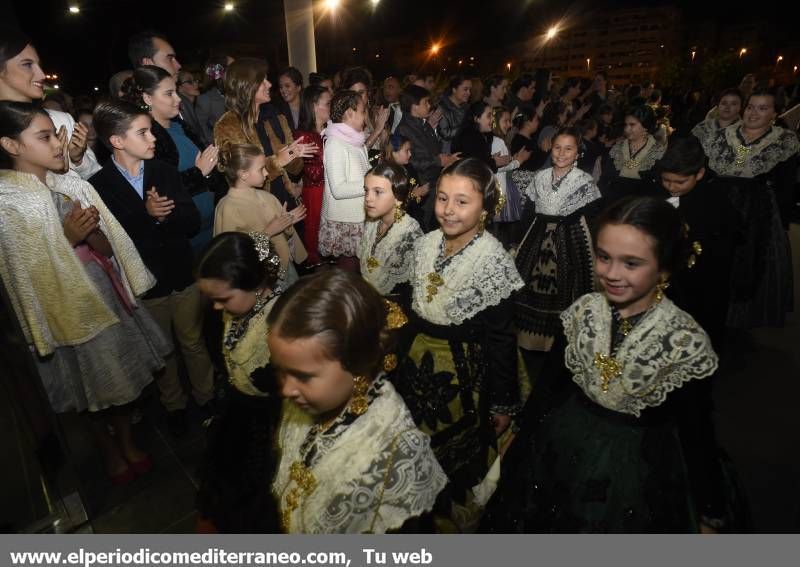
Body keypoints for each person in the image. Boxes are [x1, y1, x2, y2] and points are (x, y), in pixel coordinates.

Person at [482, 196, 728, 533]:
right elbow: (551, 385)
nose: (612, 274)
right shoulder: (583, 311)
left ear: (665, 267)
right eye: (603, 257)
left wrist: (708, 510)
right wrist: (522, 437)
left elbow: (696, 427)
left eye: (631, 263)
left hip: (639, 467)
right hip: (562, 448)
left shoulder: (683, 339)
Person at [0, 101, 169, 483]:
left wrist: (90, 233)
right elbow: (23, 274)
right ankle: (109, 451)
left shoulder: (71, 184)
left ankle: (126, 441)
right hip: (66, 312)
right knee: (87, 390)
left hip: (104, 296)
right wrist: (67, 237)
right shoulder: (7, 201)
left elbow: (109, 248)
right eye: (45, 138)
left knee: (120, 380)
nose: (58, 145)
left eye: (57, 136)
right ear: (11, 145)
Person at [394, 158, 525, 527]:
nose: (448, 210)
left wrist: (501, 402)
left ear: (486, 206)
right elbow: (412, 306)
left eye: (462, 202)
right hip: (415, 364)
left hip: (463, 377)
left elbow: (501, 337)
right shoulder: (426, 243)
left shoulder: (492, 260)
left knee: (451, 458)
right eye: (442, 198)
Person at [269, 270, 447, 533]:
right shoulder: (309, 401)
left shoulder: (395, 451)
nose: (286, 389)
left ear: (358, 362)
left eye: (303, 376)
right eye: (280, 371)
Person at [90, 100, 214, 436]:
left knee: (193, 341)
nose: (152, 138)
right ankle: (173, 405)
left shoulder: (163, 171)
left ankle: (207, 398)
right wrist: (148, 216)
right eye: (142, 132)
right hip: (145, 283)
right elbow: (113, 242)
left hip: (181, 272)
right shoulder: (99, 185)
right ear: (117, 141)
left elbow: (190, 221)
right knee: (163, 351)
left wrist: (166, 214)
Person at [195, 232, 284, 533]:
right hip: (238, 413)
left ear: (256, 285)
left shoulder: (281, 323)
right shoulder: (240, 306)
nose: (217, 308)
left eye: (223, 299)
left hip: (270, 426)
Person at [700, 88, 799, 329]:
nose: (754, 113)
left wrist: (782, 221)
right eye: (751, 107)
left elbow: (786, 186)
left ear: (775, 114)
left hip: (758, 211)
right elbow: (706, 173)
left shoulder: (783, 142)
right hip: (720, 205)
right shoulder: (722, 136)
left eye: (763, 108)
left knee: (751, 263)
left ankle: (740, 321)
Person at [514, 127, 602, 353]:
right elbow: (529, 213)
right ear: (550, 148)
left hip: (571, 238)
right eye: (557, 148)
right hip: (537, 235)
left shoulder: (584, 181)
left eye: (568, 148)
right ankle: (526, 338)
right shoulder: (540, 177)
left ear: (577, 153)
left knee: (568, 287)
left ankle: (558, 344)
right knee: (526, 283)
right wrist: (517, 242)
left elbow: (592, 218)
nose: (562, 153)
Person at [121, 65, 224, 254]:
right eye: (169, 94)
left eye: (176, 92)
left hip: (214, 226)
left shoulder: (180, 127)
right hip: (187, 238)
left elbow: (208, 172)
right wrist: (199, 173)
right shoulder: (147, 140)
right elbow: (159, 193)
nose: (178, 99)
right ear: (147, 98)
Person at [656, 137, 742, 348]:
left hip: (701, 279)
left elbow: (723, 247)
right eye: (667, 180)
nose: (672, 187)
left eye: (680, 182)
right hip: (665, 275)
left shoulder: (714, 202)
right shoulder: (659, 193)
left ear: (700, 174)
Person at [213, 58, 317, 210]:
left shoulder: (276, 116)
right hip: (255, 207)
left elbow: (295, 169)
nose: (269, 85)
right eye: (263, 81)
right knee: (262, 236)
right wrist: (278, 161)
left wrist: (295, 154)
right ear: (246, 86)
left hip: (284, 199)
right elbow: (236, 178)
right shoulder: (227, 126)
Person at [0, 28, 100, 179]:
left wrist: (77, 160)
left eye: (39, 65)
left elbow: (97, 176)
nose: (41, 74)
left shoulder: (61, 120)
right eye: (27, 64)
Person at [213, 143, 307, 289]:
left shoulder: (267, 197)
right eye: (261, 169)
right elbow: (235, 257)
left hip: (284, 268)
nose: (266, 173)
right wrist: (268, 232)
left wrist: (287, 222)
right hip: (260, 279)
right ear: (243, 174)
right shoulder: (227, 208)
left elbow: (284, 238)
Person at [358, 162, 423, 311]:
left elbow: (409, 292)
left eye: (378, 192)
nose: (368, 198)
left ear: (398, 198)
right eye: (366, 190)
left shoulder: (410, 235)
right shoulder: (373, 222)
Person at [319, 90, 370, 271]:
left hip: (359, 215)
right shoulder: (335, 143)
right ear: (350, 113)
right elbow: (338, 190)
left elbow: (365, 173)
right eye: (363, 111)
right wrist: (370, 184)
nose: (365, 116)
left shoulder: (357, 141)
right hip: (346, 221)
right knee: (349, 272)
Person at [395, 85, 459, 192]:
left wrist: (447, 158)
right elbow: (408, 162)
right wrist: (438, 161)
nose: (429, 105)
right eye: (425, 102)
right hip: (421, 187)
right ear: (414, 106)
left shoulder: (424, 124)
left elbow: (432, 152)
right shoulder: (404, 130)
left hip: (433, 183)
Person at [294, 85, 331, 266]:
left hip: (329, 191)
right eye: (327, 103)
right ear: (314, 106)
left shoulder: (328, 131)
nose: (331, 107)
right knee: (316, 240)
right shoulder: (303, 135)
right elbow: (313, 173)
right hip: (315, 194)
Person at [599, 104, 666, 205]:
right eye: (626, 125)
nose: (626, 129)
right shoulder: (618, 148)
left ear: (645, 126)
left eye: (632, 125)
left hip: (637, 209)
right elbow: (604, 179)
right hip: (611, 205)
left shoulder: (656, 152)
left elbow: (658, 187)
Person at [490, 106, 531, 249]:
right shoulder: (497, 141)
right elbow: (499, 166)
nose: (509, 124)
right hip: (499, 186)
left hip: (501, 184)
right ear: (495, 121)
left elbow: (502, 162)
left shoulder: (498, 140)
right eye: (505, 121)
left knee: (500, 226)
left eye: (510, 121)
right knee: (499, 227)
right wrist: (518, 161)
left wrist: (514, 159)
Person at [382, 133, 432, 230]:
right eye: (407, 151)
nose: (410, 154)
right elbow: (390, 206)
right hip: (396, 224)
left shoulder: (409, 167)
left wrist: (420, 194)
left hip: (413, 217)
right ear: (394, 153)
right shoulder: (386, 174)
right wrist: (412, 195)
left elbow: (419, 195)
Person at [196, 54, 231, 145]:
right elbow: (203, 134)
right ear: (219, 73)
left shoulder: (241, 94)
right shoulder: (205, 100)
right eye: (233, 67)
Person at [437, 75, 472, 154]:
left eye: (470, 90)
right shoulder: (442, 107)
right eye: (465, 89)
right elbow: (445, 133)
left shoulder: (466, 108)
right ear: (454, 89)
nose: (469, 93)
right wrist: (466, 128)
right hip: (448, 153)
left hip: (462, 151)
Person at [176, 69, 209, 148]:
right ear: (179, 88)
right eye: (189, 81)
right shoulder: (182, 107)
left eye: (195, 80)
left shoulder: (196, 104)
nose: (196, 83)